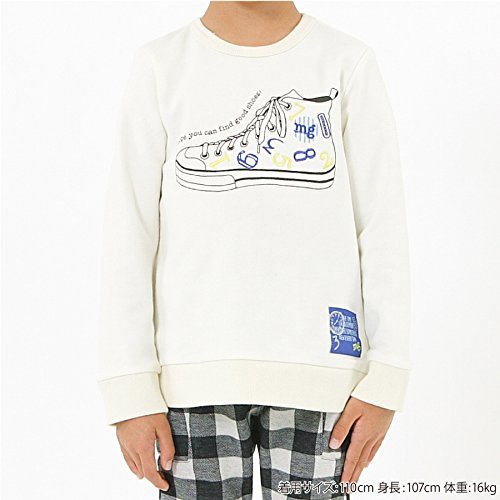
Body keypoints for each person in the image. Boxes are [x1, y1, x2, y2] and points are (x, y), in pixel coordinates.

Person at [96, 1, 412, 498]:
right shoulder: (161, 64)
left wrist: (386, 377)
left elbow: (382, 227)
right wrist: (130, 386)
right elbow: (129, 233)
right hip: (192, 375)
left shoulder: (347, 62)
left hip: (325, 375)